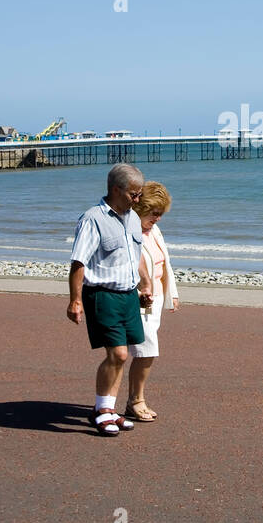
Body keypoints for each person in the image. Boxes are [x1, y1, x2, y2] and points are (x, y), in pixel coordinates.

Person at [66, 163, 150, 437]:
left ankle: (109, 409)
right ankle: (102, 411)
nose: (138, 200)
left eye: (139, 194)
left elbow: (134, 256)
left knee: (122, 356)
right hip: (102, 294)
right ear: (116, 189)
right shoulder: (93, 218)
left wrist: (145, 285)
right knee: (118, 354)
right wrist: (75, 300)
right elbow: (78, 262)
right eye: (133, 194)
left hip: (128, 295)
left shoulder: (134, 218)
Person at [125, 182, 180, 421]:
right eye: (154, 213)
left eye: (161, 214)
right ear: (140, 208)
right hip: (139, 299)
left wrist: (173, 294)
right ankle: (136, 400)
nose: (158, 218)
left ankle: (134, 399)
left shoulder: (154, 230)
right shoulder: (129, 231)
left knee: (146, 350)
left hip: (155, 297)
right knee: (146, 349)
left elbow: (164, 263)